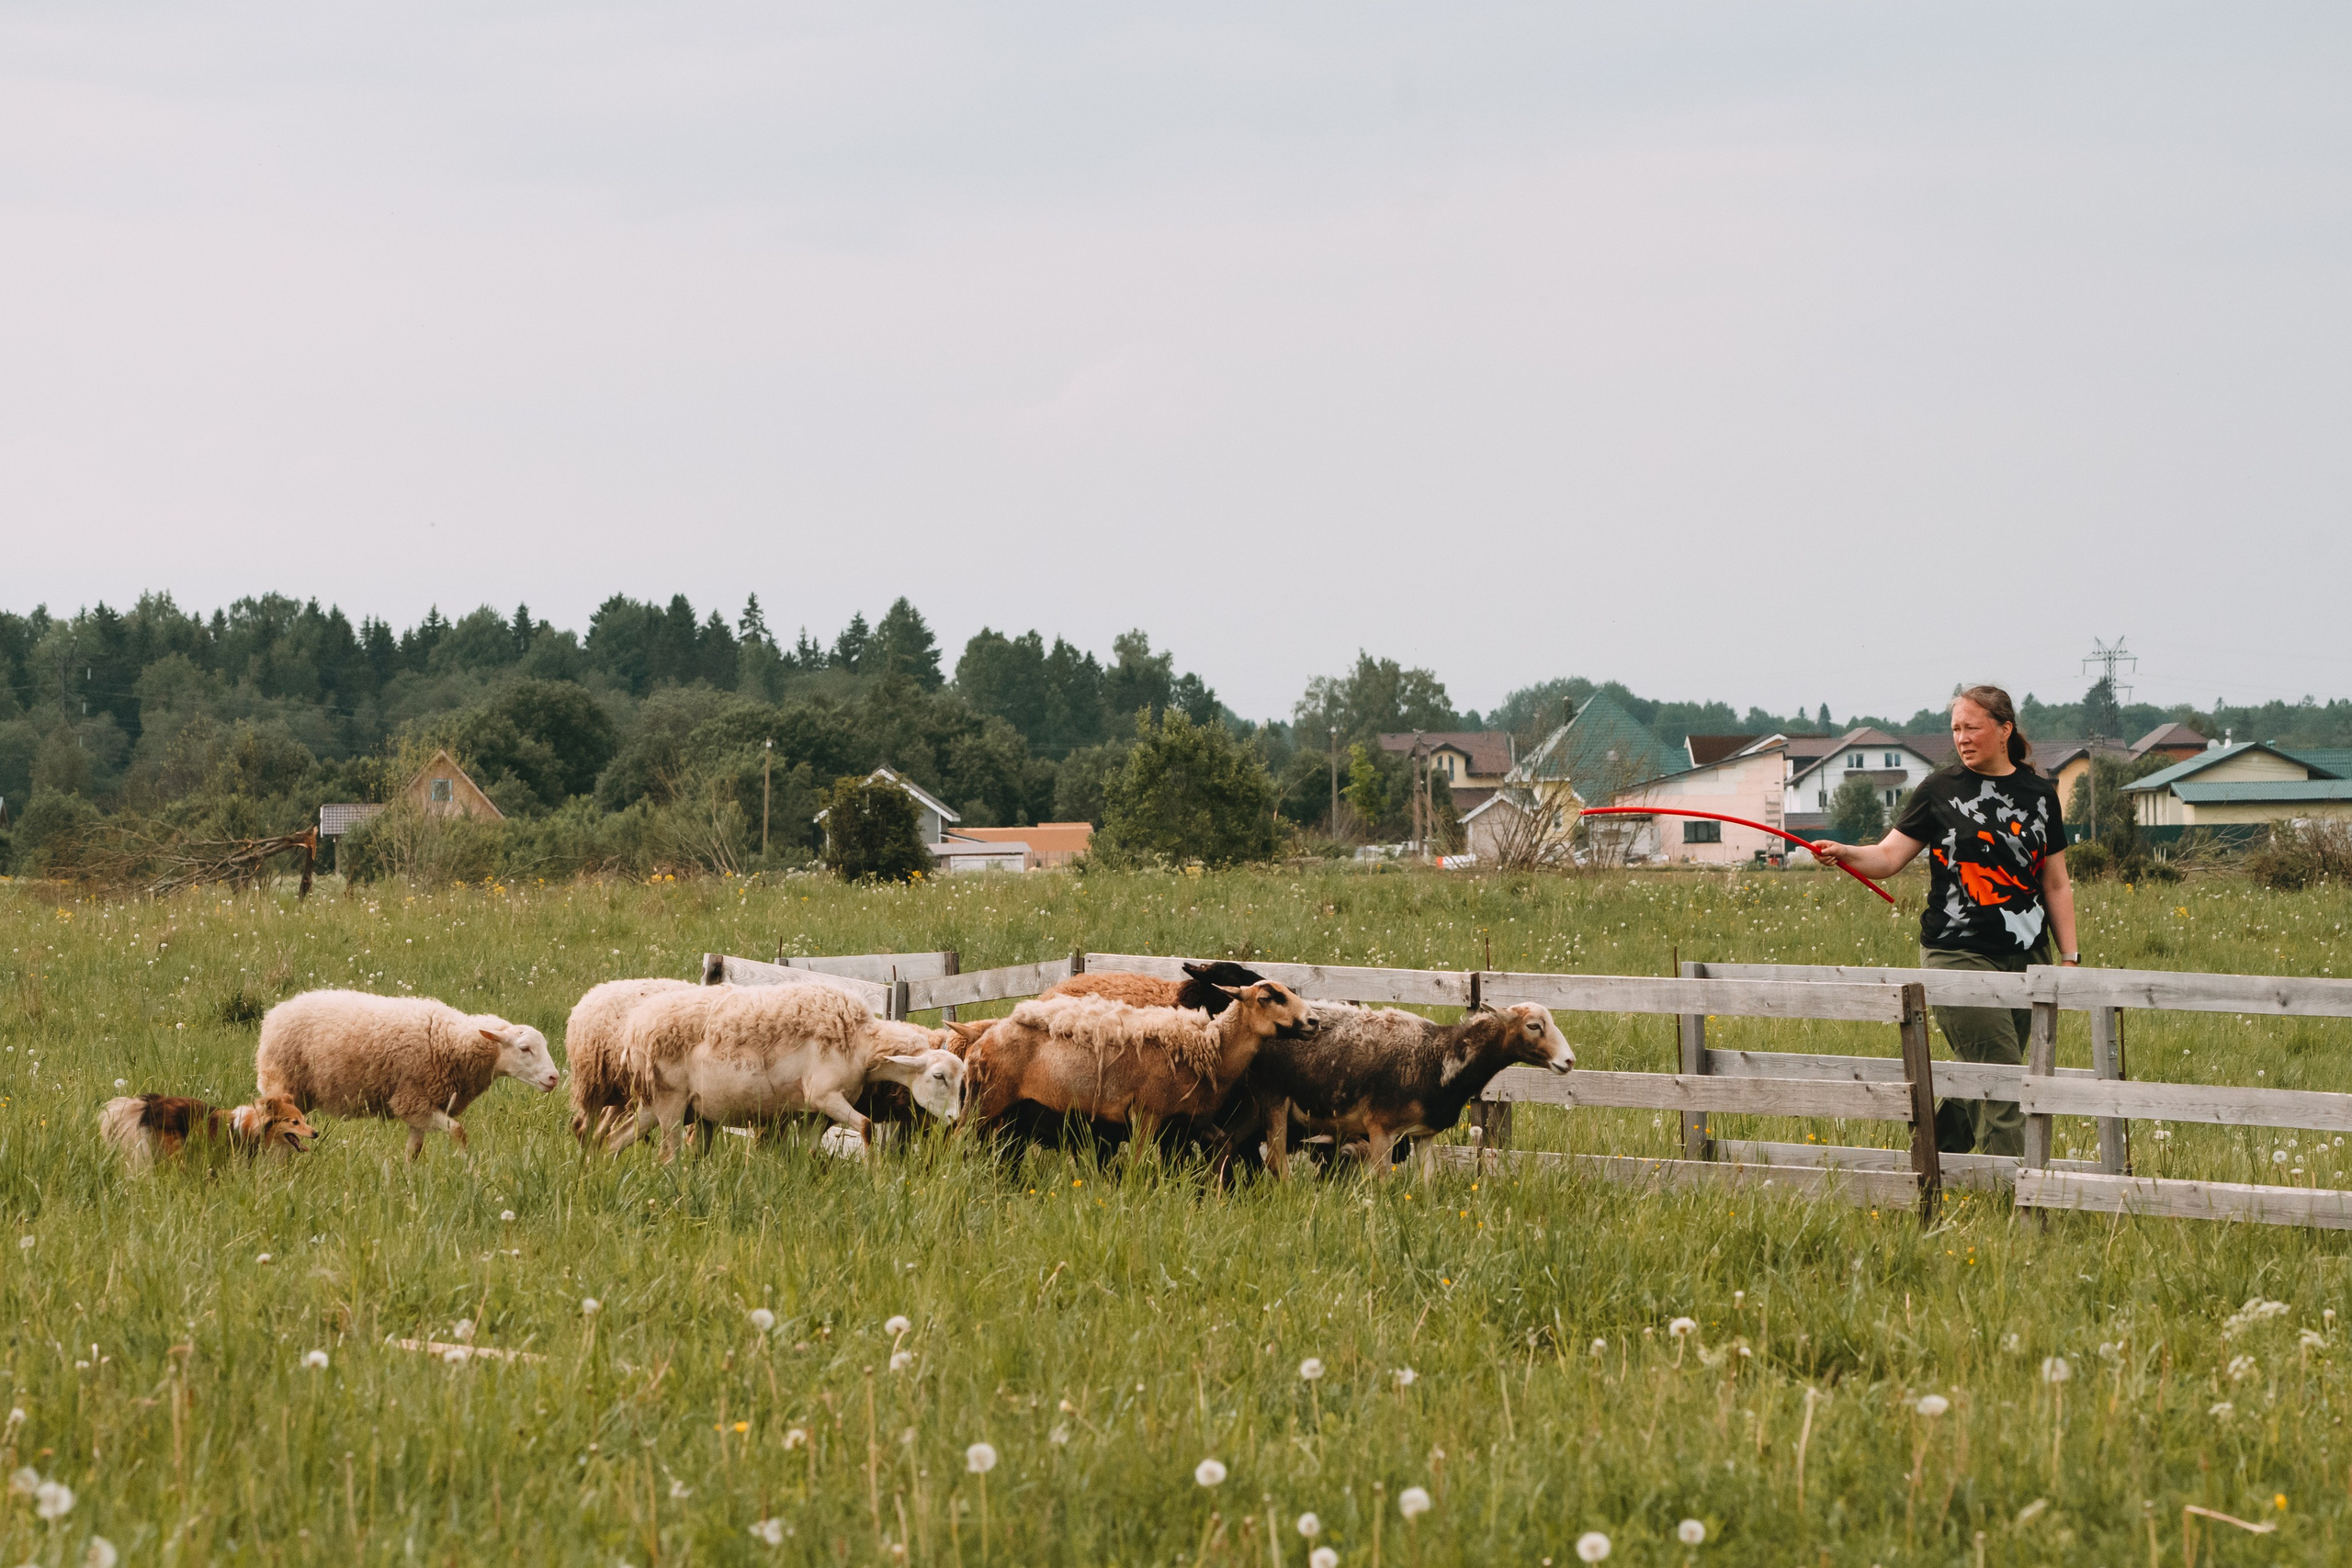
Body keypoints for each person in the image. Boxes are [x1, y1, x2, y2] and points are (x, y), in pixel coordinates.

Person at [1812, 685, 2079, 1156]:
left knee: (1986, 1072)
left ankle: (1933, 1161)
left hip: (2027, 955)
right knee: (2003, 1076)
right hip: (1956, 952)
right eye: (1956, 728)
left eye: (1971, 727)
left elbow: (2055, 883)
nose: (1962, 737)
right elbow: (1888, 857)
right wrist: (1846, 853)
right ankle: (2009, 1192)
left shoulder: (2041, 795)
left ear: (2004, 729)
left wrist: (2070, 958)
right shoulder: (1939, 790)